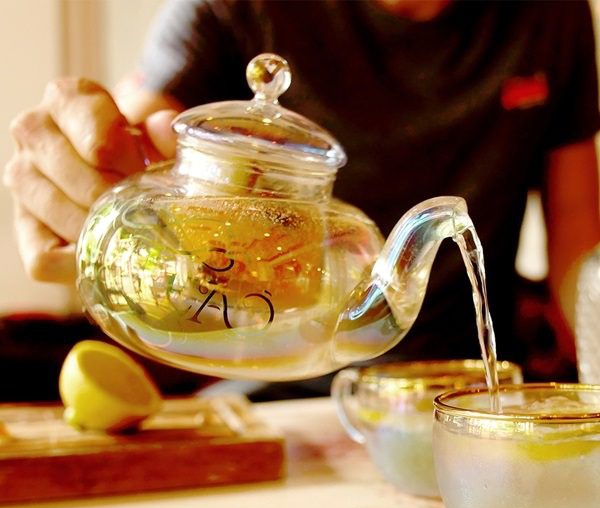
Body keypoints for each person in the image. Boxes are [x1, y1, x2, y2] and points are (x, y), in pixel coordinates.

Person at [3, 0, 600, 400]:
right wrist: (90, 170)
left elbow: (579, 232)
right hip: (277, 383)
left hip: (462, 389)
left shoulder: (553, 12)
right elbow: (144, 122)